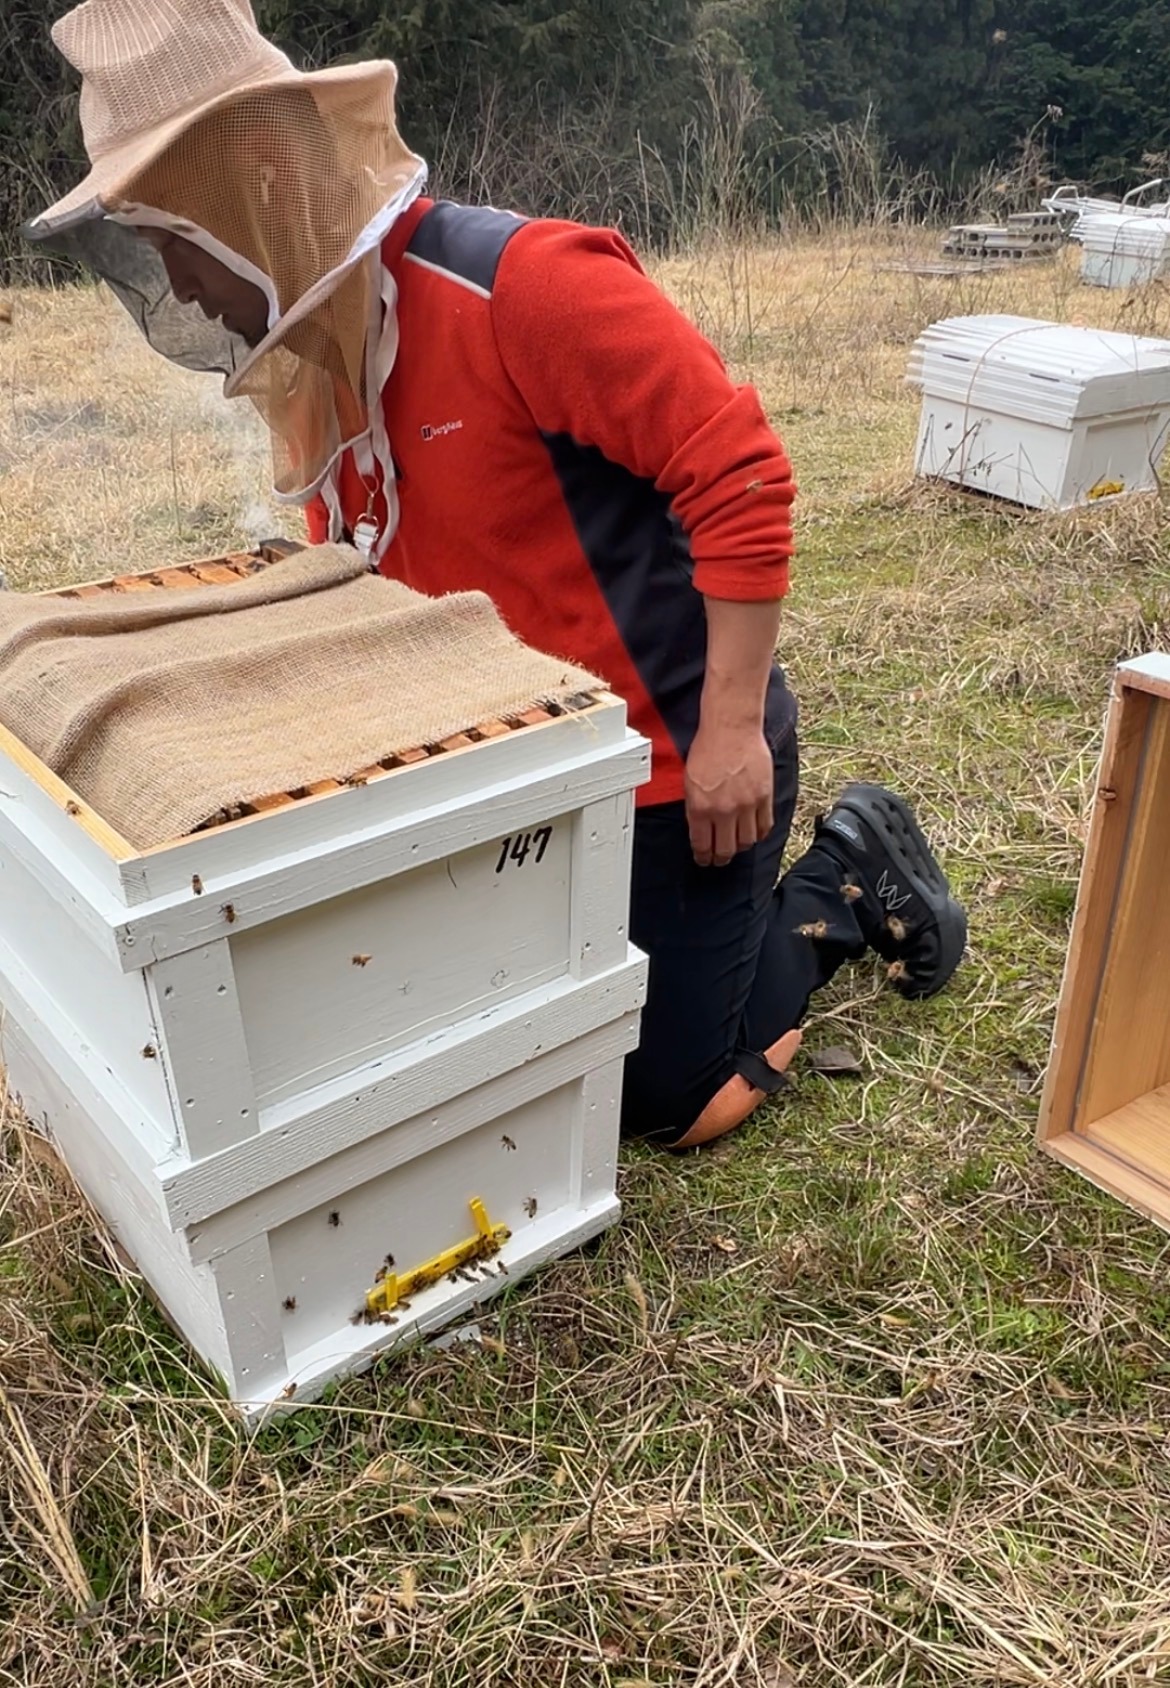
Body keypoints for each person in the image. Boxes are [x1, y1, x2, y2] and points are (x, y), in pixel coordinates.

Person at [28, 0, 967, 1151]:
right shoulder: (328, 359)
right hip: (511, 773)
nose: (180, 289)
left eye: (179, 245)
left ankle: (841, 877)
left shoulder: (524, 285)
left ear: (254, 195)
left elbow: (739, 474)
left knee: (669, 1100)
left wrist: (729, 737)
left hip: (668, 763)